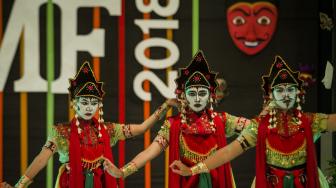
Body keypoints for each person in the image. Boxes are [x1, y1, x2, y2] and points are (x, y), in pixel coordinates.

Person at [0, 61, 176, 188]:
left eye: (93, 102)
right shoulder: (62, 132)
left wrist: (165, 107)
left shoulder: (108, 130)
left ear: (99, 105)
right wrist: (19, 186)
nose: (88, 107)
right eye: (84, 102)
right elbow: (41, 160)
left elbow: (142, 129)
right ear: (73, 104)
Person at [170, 55, 336, 188]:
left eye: (290, 89)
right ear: (271, 95)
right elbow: (228, 152)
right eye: (280, 90)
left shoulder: (311, 121)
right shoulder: (259, 127)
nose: (285, 94)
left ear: (298, 94)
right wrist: (193, 171)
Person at [103, 50, 253, 188]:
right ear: (184, 95)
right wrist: (122, 172)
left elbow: (256, 128)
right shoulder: (173, 125)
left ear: (210, 96)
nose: (197, 98)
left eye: (202, 93)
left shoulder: (222, 121)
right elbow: (149, 152)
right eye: (192, 93)